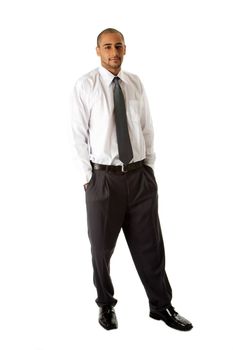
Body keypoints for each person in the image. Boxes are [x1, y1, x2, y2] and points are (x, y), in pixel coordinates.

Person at [72, 28, 193, 331]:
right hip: (104, 181)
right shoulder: (86, 85)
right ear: (98, 50)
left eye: (119, 46)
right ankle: (106, 304)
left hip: (139, 179)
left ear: (125, 49)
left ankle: (161, 306)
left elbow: (146, 126)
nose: (114, 53)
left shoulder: (135, 83)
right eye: (108, 47)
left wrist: (148, 166)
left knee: (151, 246)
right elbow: (78, 134)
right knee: (101, 249)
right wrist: (89, 177)